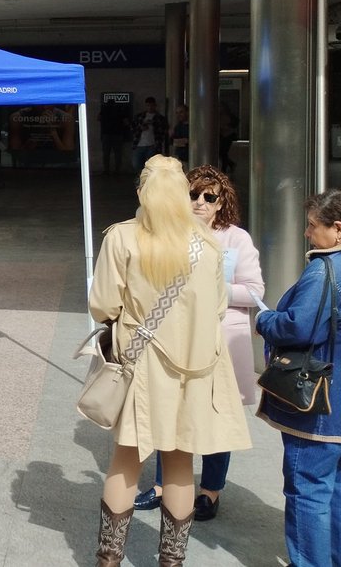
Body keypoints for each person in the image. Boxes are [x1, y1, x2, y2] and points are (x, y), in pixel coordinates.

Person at [89, 155, 250, 567]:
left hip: (140, 365)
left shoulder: (122, 237)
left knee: (126, 460)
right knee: (181, 464)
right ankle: (171, 562)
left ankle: (108, 559)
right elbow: (216, 310)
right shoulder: (208, 245)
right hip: (194, 369)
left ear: (141, 190)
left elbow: (102, 305)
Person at [134, 164, 264, 521]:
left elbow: (255, 291)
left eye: (210, 196)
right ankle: (163, 486)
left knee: (215, 417)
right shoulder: (167, 233)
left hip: (221, 339)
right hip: (176, 340)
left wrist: (213, 287)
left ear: (222, 202)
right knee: (170, 411)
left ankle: (209, 491)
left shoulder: (236, 239)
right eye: (193, 194)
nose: (201, 202)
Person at [255, 190, 341, 567]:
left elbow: (298, 327)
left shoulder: (324, 270)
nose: (307, 233)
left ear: (337, 229)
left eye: (312, 225)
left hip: (320, 404)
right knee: (335, 490)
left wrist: (263, 320)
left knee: (308, 490)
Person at [130, 97, 168, 174]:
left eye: (152, 105)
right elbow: (132, 128)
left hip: (153, 145)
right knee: (136, 164)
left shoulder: (160, 118)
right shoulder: (140, 116)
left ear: (155, 106)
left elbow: (164, 130)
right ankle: (142, 178)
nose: (150, 107)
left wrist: (153, 125)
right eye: (148, 105)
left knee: (151, 166)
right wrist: (141, 128)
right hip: (139, 144)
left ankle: (148, 180)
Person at [98, 99, 129, 176]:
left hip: (106, 134)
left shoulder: (104, 109)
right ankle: (117, 171)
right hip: (118, 134)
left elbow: (98, 118)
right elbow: (126, 122)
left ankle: (106, 170)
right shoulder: (120, 109)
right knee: (118, 153)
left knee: (106, 154)